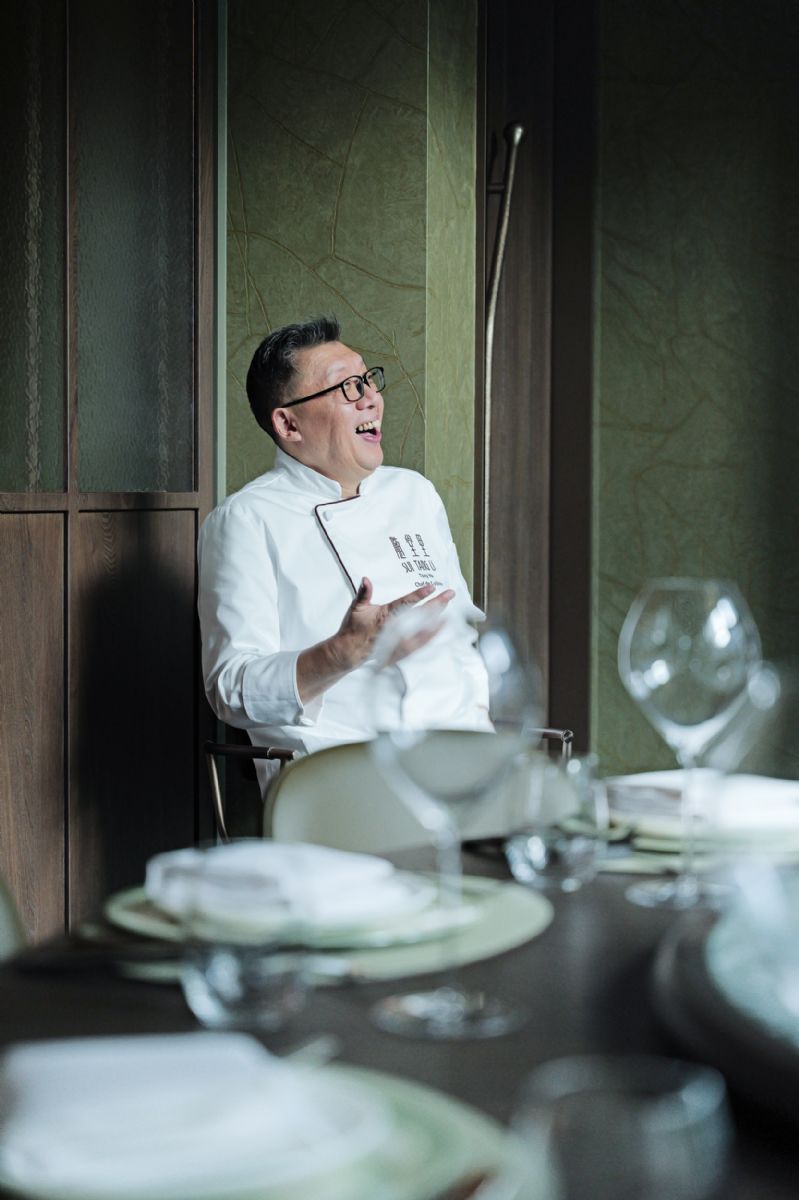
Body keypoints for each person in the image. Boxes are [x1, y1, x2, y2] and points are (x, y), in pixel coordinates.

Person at [198, 315, 490, 793]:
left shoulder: (414, 493)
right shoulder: (246, 520)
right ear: (288, 423)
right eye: (347, 388)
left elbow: (462, 637)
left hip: (463, 760)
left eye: (368, 380)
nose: (371, 398)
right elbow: (230, 689)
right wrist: (341, 653)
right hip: (340, 782)